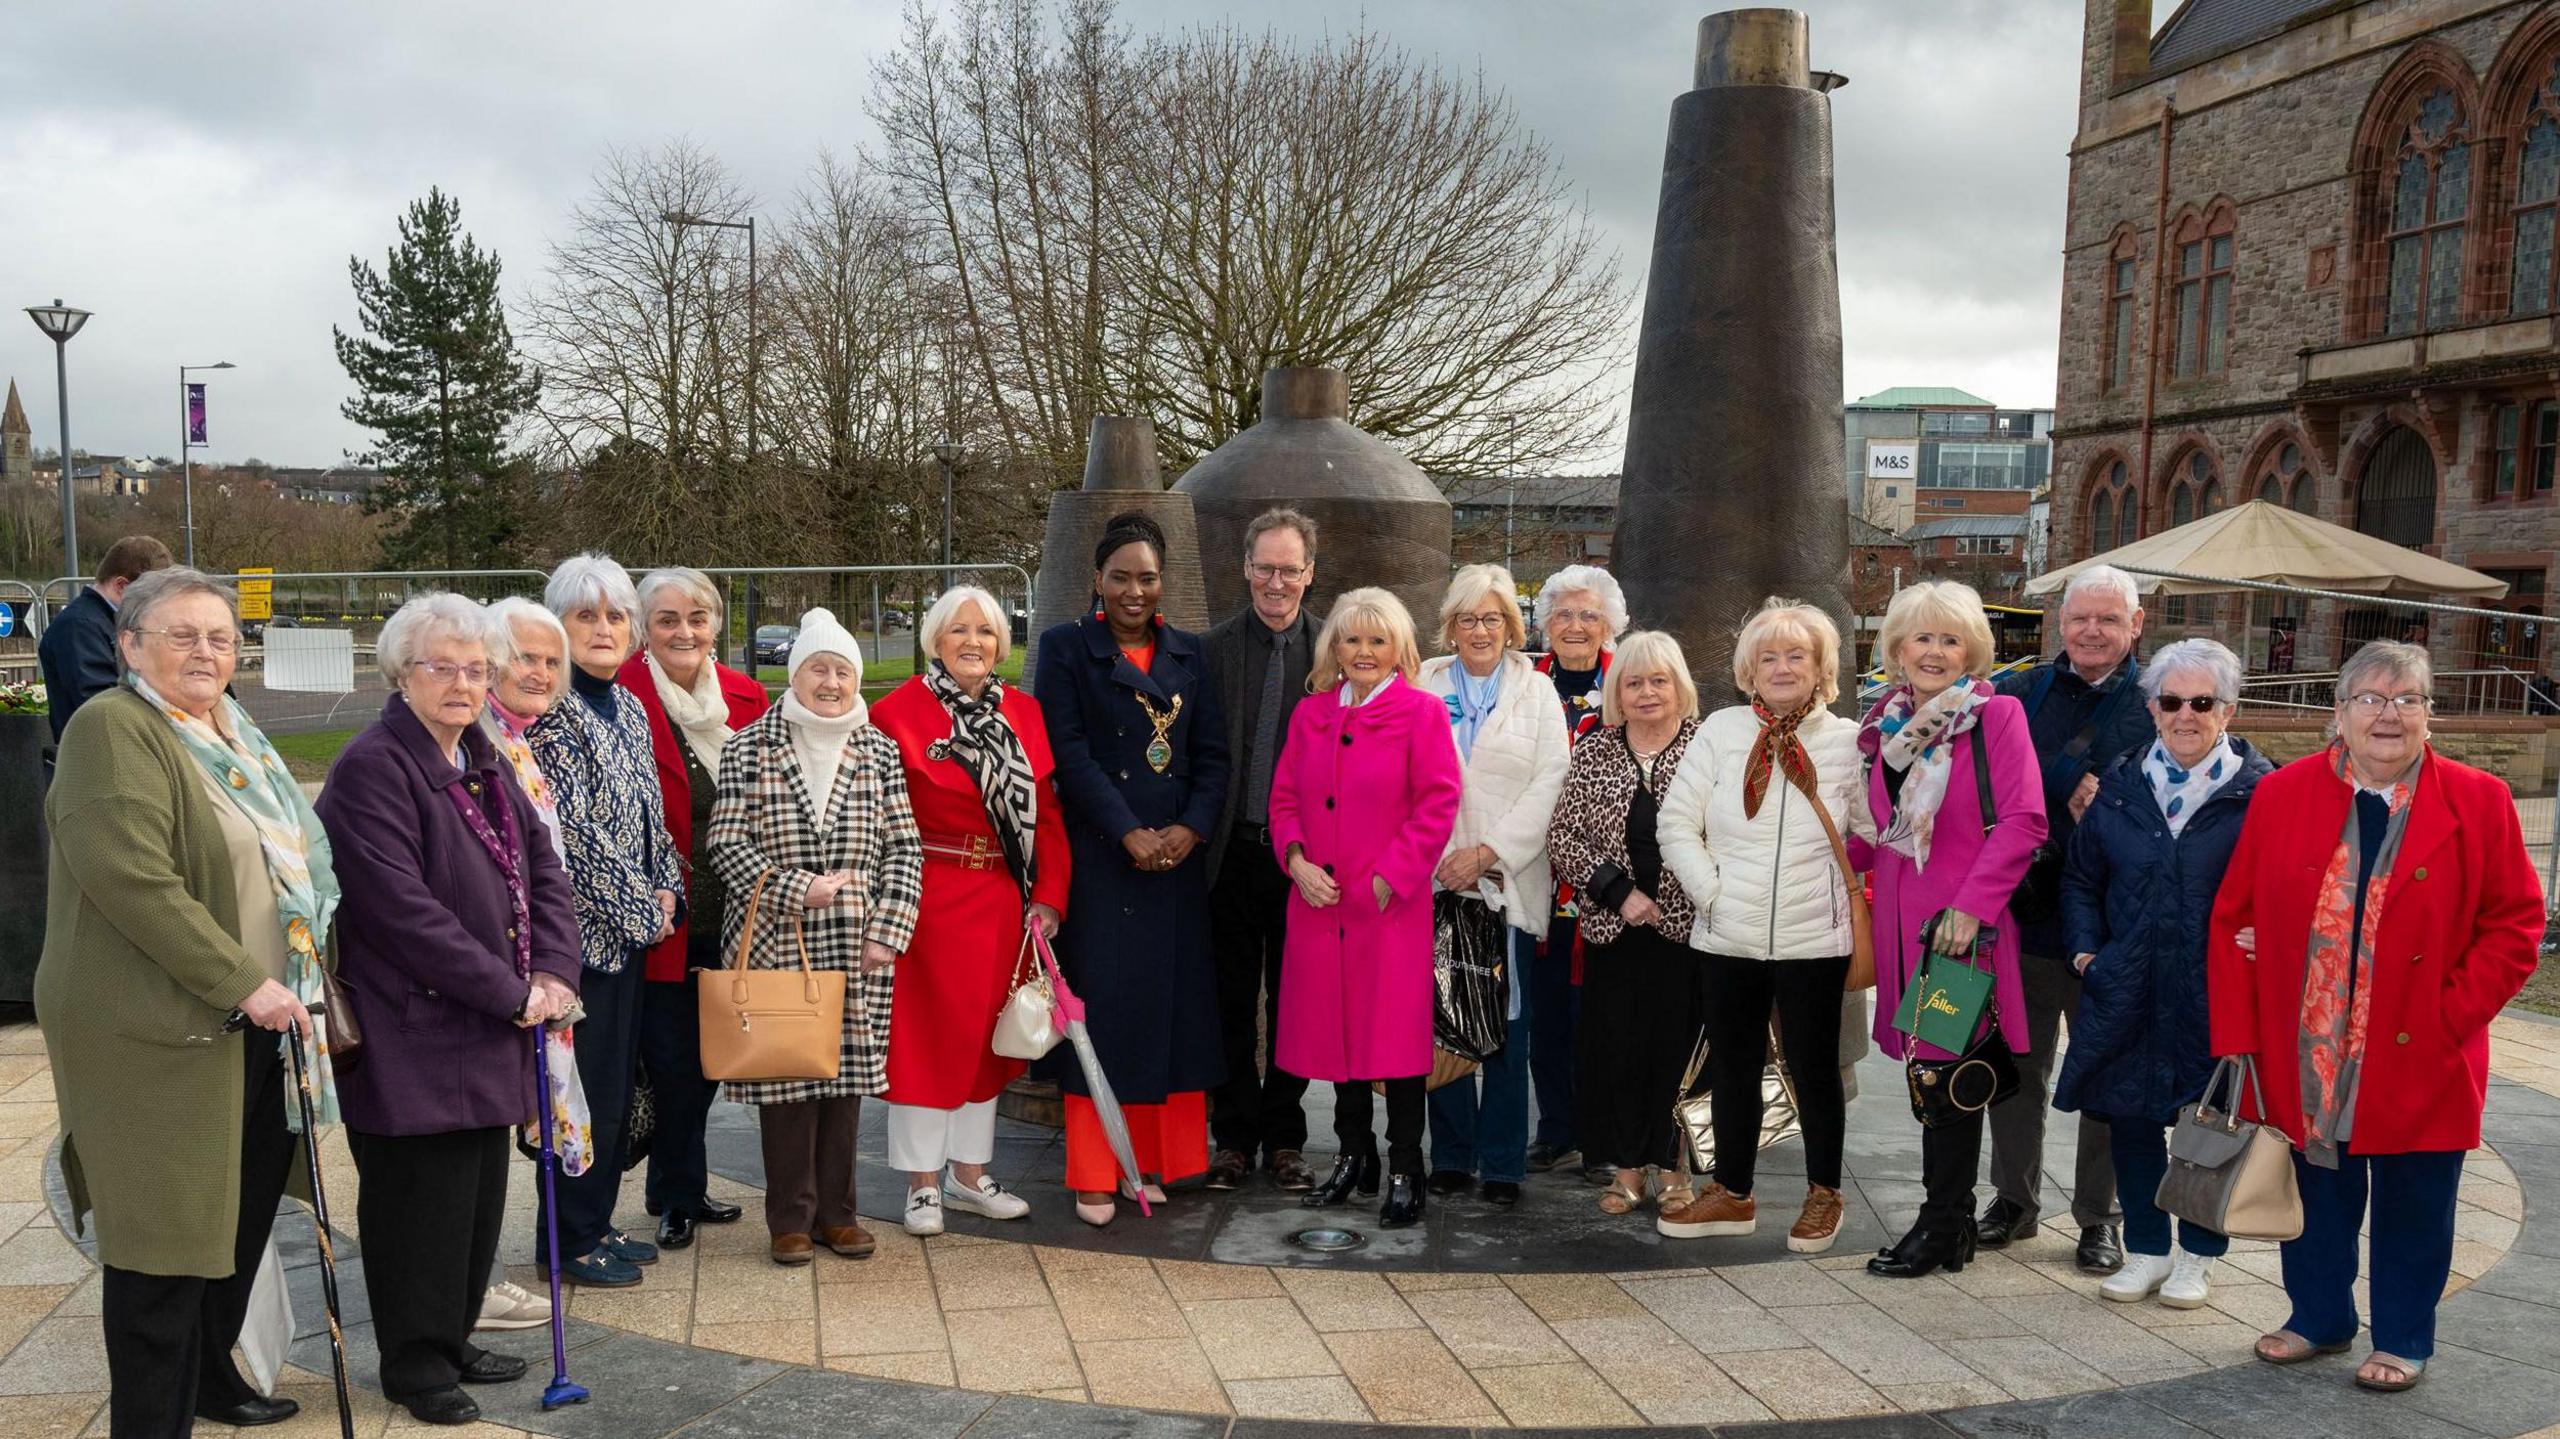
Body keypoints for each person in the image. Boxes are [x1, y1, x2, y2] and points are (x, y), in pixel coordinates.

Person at [36, 565, 329, 1436]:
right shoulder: (114, 727)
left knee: (231, 1231)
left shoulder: (234, 733)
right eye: (181, 634)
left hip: (257, 1029)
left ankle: (211, 1380)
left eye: (220, 636)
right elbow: (134, 880)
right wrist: (244, 979)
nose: (207, 651)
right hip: (157, 1035)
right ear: (128, 644)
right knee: (161, 1247)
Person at [2211, 641, 2542, 1393]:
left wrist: (2451, 1015)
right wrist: (2241, 1038)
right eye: (2370, 698)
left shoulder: (2479, 798)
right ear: (2338, 712)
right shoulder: (2283, 794)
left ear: (2431, 714)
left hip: (2424, 1047)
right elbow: (2232, 919)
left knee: (2415, 1196)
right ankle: (2320, 1315)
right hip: (2307, 1045)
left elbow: (2517, 923)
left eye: (2407, 699)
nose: (2388, 715)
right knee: (2317, 1189)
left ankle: (2402, 1334)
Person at [317, 595, 581, 1426]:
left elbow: (542, 868)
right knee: (415, 1207)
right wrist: (512, 991)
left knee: (473, 1199)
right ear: (402, 673)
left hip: (486, 1023)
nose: (464, 684)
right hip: (413, 1030)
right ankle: (414, 1359)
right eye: (444, 668)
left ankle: (453, 1328)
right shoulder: (373, 767)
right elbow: (401, 912)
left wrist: (556, 972)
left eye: (477, 670)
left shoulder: (480, 751)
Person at [2054, 638, 2271, 1311]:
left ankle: (2198, 1257)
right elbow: (2081, 879)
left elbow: (2289, 884)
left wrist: (2269, 938)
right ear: (2151, 706)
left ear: (2228, 709)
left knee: (2208, 1128)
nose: (2185, 714)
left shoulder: (2261, 792)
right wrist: (2088, 951)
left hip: (2215, 992)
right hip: (2129, 985)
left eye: (2201, 702)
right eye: (2171, 700)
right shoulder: (2119, 784)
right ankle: (2147, 1249)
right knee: (2132, 1119)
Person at [1655, 599, 1872, 1252]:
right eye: (1769, 656)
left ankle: (1823, 1192)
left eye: (1796, 655)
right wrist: (1712, 893)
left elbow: (1866, 833)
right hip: (1728, 933)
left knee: (1815, 1068)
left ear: (1820, 668)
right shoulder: (1720, 732)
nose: (1782, 667)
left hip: (1815, 937)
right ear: (1749, 668)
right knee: (1734, 1064)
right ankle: (1733, 1189)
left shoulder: (1845, 742)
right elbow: (1676, 823)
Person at [706, 610, 923, 1264]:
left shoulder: (879, 748)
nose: (830, 682)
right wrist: (797, 887)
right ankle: (790, 1220)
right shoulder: (750, 744)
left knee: (844, 1086)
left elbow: (905, 849)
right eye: (817, 668)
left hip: (860, 944)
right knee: (789, 1085)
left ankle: (840, 1214)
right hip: (779, 937)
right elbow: (725, 844)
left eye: (842, 670)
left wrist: (889, 931)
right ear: (794, 674)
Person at [1033, 512, 1230, 1225]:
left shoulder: (1189, 653)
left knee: (1167, 1015)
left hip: (1175, 866)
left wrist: (1190, 827)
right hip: (1103, 864)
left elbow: (1212, 757)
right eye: (1121, 576)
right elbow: (1070, 754)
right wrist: (1128, 833)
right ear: (1096, 579)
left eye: (1147, 577)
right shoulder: (1064, 648)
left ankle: (1150, 1163)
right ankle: (1095, 1167)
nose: (1135, 591)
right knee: (1105, 1016)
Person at [1856, 580, 2049, 1279]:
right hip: (1904, 922)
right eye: (1921, 637)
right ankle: (1956, 1221)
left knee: (1947, 1072)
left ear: (1972, 649)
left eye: (1950, 638)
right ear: (1896, 649)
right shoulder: (1885, 725)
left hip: (1960, 931)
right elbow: (1876, 826)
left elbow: (2026, 818)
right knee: (1928, 1067)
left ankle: (1941, 1222)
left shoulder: (1996, 715)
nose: (1934, 651)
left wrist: (1972, 907)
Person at [875, 586, 1071, 1235]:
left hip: (1000, 901)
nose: (973, 642)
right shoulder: (898, 712)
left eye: (985, 632)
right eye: (959, 630)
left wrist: (1049, 895)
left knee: (990, 1041)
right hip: (926, 896)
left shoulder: (1024, 711)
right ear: (935, 638)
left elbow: (1047, 814)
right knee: (925, 1043)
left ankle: (970, 1172)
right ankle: (922, 1185)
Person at [1270, 588, 1464, 1227]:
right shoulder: (1310, 715)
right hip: (1320, 905)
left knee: (1394, 1043)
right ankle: (1354, 1156)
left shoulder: (1422, 713)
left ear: (1399, 650)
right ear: (1335, 648)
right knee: (1337, 1035)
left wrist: (1393, 875)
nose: (1363, 652)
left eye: (1377, 641)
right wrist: (1295, 860)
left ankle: (1407, 1165)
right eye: (1352, 640)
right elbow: (1285, 800)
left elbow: (1439, 801)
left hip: (1386, 908)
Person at [1984, 564, 2154, 1273]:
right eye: (2081, 617)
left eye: (2108, 619)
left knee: (2107, 1071)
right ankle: (2013, 1202)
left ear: (2135, 626)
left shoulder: (2159, 701)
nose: (2092, 630)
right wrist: (2061, 777)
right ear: (2060, 620)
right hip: (2026, 913)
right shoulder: (2019, 692)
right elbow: (1985, 775)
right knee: (2017, 1068)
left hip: (2115, 923)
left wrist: (2107, 793)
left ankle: (2099, 1217)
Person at [528, 554, 681, 1288]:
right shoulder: (553, 712)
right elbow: (575, 835)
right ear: (558, 626)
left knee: (615, 1090)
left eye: (615, 615)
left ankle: (595, 1218)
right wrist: (644, 913)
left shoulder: (630, 705)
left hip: (631, 937)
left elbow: (653, 818)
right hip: (582, 941)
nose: (602, 628)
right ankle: (566, 1235)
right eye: (585, 615)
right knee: (578, 1095)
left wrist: (670, 890)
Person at [621, 567, 770, 1251]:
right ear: (645, 628)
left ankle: (675, 1180)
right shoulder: (623, 696)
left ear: (716, 625)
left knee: (713, 1063)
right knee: (676, 1061)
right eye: (668, 619)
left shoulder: (746, 697)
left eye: (698, 617)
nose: (685, 631)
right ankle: (676, 1195)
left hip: (735, 915)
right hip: (664, 921)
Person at [1418, 565, 1568, 1207]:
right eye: (1467, 619)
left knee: (1507, 1024)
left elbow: (1550, 780)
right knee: (1442, 1017)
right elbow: (1403, 774)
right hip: (1433, 881)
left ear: (1512, 626)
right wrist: (1442, 859)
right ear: (1449, 626)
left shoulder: (1535, 692)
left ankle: (1503, 1163)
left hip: (1505, 885)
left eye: (1493, 618)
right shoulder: (1421, 681)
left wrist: (1486, 853)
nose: (1480, 630)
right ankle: (1450, 1156)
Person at [1545, 631, 1703, 1220]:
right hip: (1614, 932)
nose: (1646, 692)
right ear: (1617, 691)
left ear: (1678, 686)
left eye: (1658, 680)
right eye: (1633, 682)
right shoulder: (1595, 750)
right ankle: (1629, 1171)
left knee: (1678, 1051)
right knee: (1618, 1052)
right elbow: (1562, 837)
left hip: (1688, 933)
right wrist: (1620, 894)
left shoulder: (1703, 747)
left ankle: (1675, 1168)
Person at [1200, 509, 1323, 1194]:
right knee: (1230, 1000)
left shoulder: (1335, 655)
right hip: (1229, 855)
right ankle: (1234, 1136)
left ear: (1310, 573)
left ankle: (1285, 1135)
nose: (1277, 581)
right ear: (1246, 568)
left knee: (1293, 1002)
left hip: (1304, 863)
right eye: (1265, 567)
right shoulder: (1209, 651)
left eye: (1290, 568)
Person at [469, 596, 575, 1335]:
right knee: (471, 1143)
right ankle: (464, 1287)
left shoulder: (517, 737)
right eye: (522, 657)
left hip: (532, 973)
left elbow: (543, 862)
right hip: (486, 979)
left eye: (549, 659)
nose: (537, 671)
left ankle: (474, 1279)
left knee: (501, 1135)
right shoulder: (480, 738)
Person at [1527, 564, 1628, 1181]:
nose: (1575, 625)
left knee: (1600, 1017)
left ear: (1610, 624)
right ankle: (1555, 1130)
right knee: (1543, 1017)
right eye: (1563, 614)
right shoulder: (1525, 679)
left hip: (1605, 881)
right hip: (1537, 876)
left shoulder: (1629, 679)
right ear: (1545, 623)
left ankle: (1602, 1139)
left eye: (1589, 614)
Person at [40, 533, 173, 752]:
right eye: (152, 596)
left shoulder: (104, 621)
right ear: (121, 586)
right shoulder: (79, 627)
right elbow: (103, 704)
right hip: (98, 757)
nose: (158, 606)